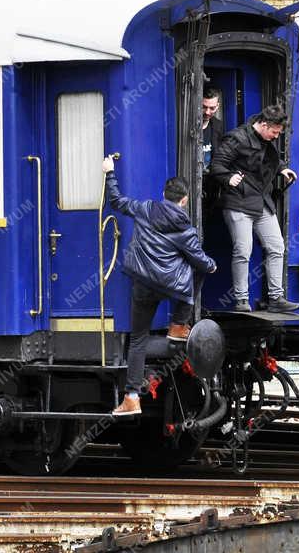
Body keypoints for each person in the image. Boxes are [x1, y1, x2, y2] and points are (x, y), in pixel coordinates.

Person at [103, 156, 217, 417]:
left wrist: (110, 173)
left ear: (163, 194)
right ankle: (178, 324)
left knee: (139, 340)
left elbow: (116, 201)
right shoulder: (185, 228)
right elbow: (198, 258)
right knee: (199, 269)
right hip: (170, 286)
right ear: (185, 200)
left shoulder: (145, 208)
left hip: (142, 283)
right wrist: (212, 265)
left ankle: (131, 398)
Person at [210, 104, 299, 313]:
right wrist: (228, 177)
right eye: (275, 132)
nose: (276, 136)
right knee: (243, 251)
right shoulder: (238, 138)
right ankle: (241, 300)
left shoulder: (266, 139)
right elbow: (216, 165)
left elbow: (269, 161)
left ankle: (276, 297)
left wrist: (283, 169)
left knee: (277, 246)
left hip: (260, 200)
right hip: (238, 202)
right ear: (264, 124)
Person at [200, 86, 225, 219]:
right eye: (204, 107)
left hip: (210, 184)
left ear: (218, 106)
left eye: (212, 108)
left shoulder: (218, 125)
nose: (208, 112)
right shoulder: (187, 124)